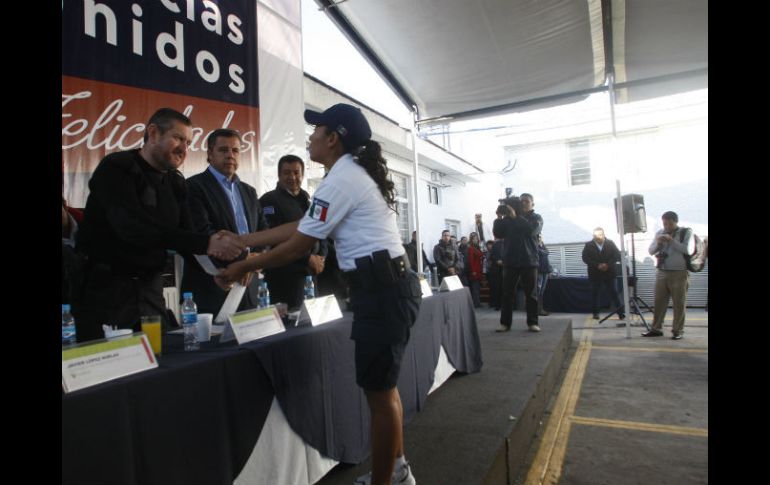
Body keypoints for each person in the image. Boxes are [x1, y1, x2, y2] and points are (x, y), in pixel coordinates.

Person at [216, 104, 420, 485]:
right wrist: (244, 241)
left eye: (316, 130)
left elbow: (297, 246)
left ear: (333, 138)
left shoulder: (342, 179)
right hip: (383, 289)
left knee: (379, 395)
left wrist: (243, 264)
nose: (310, 136)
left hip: (383, 291)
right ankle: (398, 471)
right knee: (383, 391)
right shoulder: (345, 175)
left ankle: (386, 481)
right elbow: (301, 226)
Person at [74, 108, 244, 342]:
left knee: (160, 364)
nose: (184, 149)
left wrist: (215, 271)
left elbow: (188, 238)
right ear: (153, 133)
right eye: (178, 138)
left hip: (150, 296)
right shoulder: (116, 168)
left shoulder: (176, 182)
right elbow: (132, 227)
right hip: (106, 294)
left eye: (188, 143)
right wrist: (207, 242)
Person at [180, 128, 268, 315]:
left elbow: (264, 233)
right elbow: (203, 233)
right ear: (210, 154)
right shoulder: (194, 187)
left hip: (249, 288)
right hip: (213, 286)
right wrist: (243, 261)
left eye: (235, 151)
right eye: (223, 150)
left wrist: (253, 262)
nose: (230, 155)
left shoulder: (249, 191)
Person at [259, 154, 327, 310]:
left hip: (311, 275)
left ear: (302, 175)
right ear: (279, 175)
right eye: (287, 172)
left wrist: (320, 258)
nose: (292, 177)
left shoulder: (308, 200)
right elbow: (273, 239)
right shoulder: (269, 200)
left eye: (296, 172)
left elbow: (321, 231)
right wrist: (307, 258)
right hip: (284, 278)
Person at [493, 193, 542, 332]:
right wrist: (499, 218)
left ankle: (533, 322)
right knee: (507, 294)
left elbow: (531, 231)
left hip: (529, 260)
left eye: (527, 201)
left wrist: (515, 216)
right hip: (510, 260)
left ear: (533, 204)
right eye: (521, 201)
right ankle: (505, 323)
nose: (524, 203)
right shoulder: (508, 219)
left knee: (531, 294)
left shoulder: (536, 218)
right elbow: (498, 234)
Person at [643, 211, 694, 340]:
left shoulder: (685, 233)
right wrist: (659, 243)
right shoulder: (660, 233)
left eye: (670, 224)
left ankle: (678, 330)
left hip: (679, 273)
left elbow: (687, 250)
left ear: (676, 222)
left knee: (679, 303)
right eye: (665, 224)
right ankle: (656, 328)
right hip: (662, 272)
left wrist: (671, 241)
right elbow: (650, 250)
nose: (667, 227)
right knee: (659, 302)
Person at [581, 228, 625, 321]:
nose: (598, 238)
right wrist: (597, 265)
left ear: (603, 234)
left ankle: (621, 313)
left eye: (600, 235)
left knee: (614, 293)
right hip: (595, 273)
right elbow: (585, 258)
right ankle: (595, 313)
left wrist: (607, 264)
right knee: (595, 294)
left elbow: (617, 255)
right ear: (593, 236)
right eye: (596, 236)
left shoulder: (610, 243)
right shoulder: (588, 245)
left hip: (609, 272)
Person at [465, 233, 484, 308]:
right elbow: (471, 260)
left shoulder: (477, 247)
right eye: (474, 239)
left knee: (478, 287)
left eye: (476, 239)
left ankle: (477, 302)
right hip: (475, 270)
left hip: (479, 270)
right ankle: (476, 303)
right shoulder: (471, 248)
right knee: (475, 288)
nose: (476, 240)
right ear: (471, 240)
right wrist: (473, 271)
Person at [536, 235, 552, 316]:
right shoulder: (535, 246)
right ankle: (538, 310)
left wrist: (550, 270)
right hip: (539, 271)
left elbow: (547, 254)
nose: (540, 239)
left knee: (542, 291)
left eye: (541, 237)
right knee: (538, 291)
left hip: (545, 270)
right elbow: (542, 253)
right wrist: (545, 252)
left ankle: (541, 309)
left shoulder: (543, 246)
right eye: (538, 237)